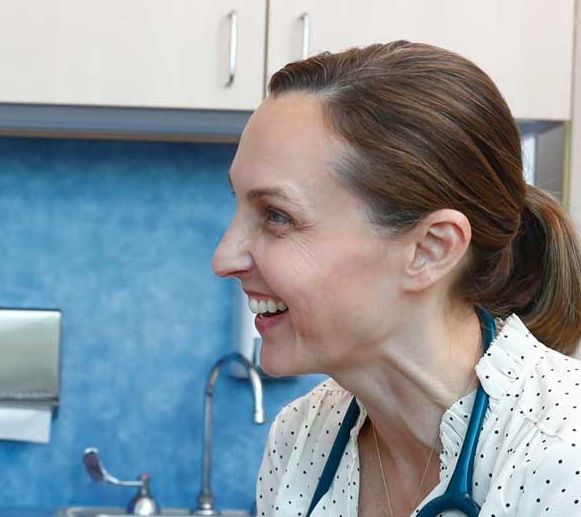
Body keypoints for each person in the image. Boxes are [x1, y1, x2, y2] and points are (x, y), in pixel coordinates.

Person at [213, 41, 581, 517]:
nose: (224, 258)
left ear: (431, 249)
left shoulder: (563, 456)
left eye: (277, 216)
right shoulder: (302, 437)